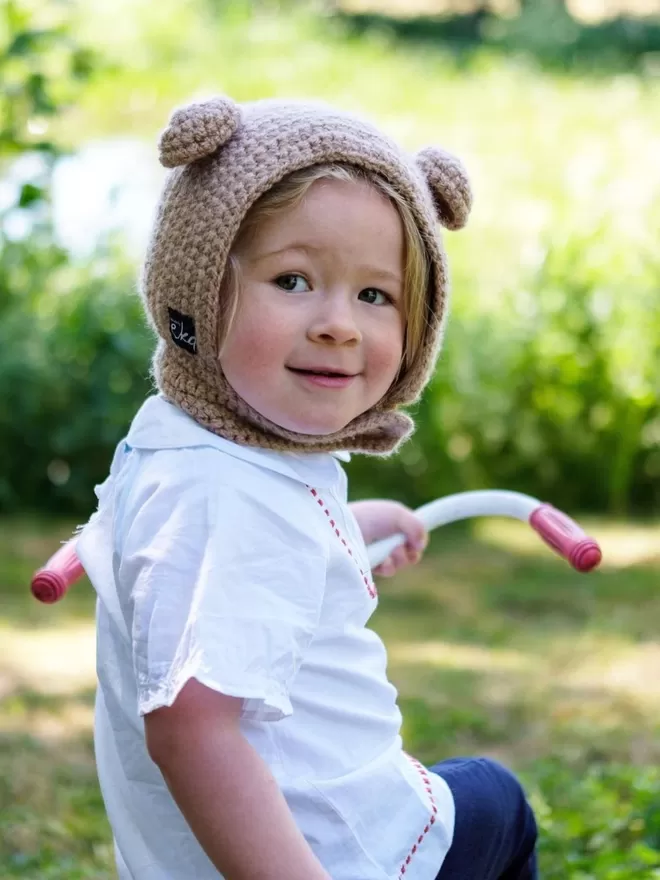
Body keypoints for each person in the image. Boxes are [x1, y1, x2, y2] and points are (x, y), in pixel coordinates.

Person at [76, 94, 538, 880]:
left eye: (375, 295)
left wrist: (344, 529)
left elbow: (222, 565)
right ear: (195, 290)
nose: (339, 324)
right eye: (292, 280)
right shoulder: (221, 496)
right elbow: (193, 730)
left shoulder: (188, 446)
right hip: (341, 852)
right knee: (499, 804)